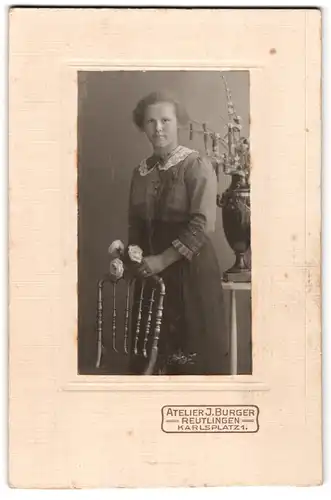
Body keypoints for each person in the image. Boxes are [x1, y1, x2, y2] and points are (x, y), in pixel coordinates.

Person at [127, 91, 229, 375]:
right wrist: (134, 257)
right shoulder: (140, 172)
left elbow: (202, 225)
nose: (158, 128)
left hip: (189, 272)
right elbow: (135, 224)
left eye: (165, 120)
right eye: (150, 121)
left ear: (178, 123)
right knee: (150, 360)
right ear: (142, 126)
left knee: (188, 361)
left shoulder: (195, 165)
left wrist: (162, 259)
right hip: (152, 275)